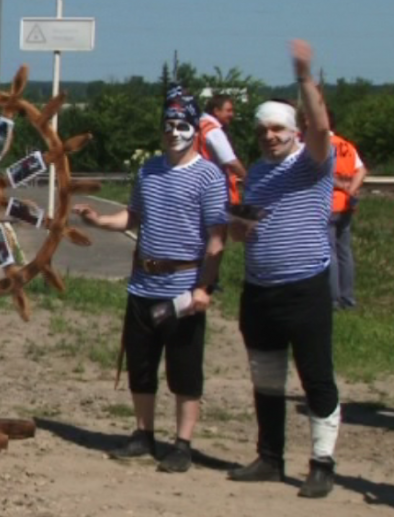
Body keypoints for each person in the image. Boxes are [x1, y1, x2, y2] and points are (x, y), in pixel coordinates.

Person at [73, 87, 228, 474]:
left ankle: (183, 443)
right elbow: (133, 217)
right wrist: (99, 221)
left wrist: (204, 287)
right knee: (141, 365)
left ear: (194, 129)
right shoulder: (149, 171)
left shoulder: (209, 176)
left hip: (183, 284)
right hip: (143, 283)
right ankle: (143, 433)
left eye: (181, 125)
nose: (173, 133)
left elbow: (216, 237)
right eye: (167, 126)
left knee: (184, 369)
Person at [226, 40, 340, 498]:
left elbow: (322, 127)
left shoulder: (313, 163)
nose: (269, 137)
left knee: (315, 375)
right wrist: (240, 229)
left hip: (304, 288)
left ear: (293, 131)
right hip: (259, 290)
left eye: (277, 129)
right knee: (266, 375)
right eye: (261, 131)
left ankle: (323, 463)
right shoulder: (255, 172)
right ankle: (270, 456)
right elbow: (244, 225)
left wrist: (304, 75)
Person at [327, 111, 366, 310]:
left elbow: (322, 172)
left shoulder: (319, 145)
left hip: (328, 201)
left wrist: (340, 186)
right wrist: (351, 189)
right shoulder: (346, 145)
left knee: (330, 251)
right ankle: (348, 298)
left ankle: (333, 299)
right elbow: (361, 169)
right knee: (345, 251)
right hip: (347, 204)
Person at [198, 93, 247, 204]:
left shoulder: (198, 125)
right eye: (228, 111)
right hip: (216, 189)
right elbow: (230, 161)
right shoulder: (213, 130)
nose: (232, 114)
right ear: (216, 111)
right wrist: (247, 179)